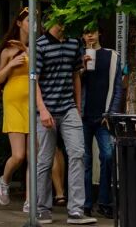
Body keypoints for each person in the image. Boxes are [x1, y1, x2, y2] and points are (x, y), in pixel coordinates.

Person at [34, 15, 96, 224]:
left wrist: (77, 108)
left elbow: (75, 75)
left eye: (65, 21)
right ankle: (42, 208)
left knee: (78, 153)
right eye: (60, 22)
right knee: (44, 159)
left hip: (68, 107)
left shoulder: (74, 43)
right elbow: (33, 80)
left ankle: (76, 210)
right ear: (49, 23)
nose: (63, 26)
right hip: (46, 108)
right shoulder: (39, 45)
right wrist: (42, 109)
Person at [79, 25, 125, 220]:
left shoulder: (112, 55)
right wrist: (81, 67)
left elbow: (117, 88)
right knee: (84, 160)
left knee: (107, 156)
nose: (89, 35)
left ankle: (104, 201)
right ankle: (86, 203)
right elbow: (74, 83)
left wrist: (111, 113)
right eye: (86, 32)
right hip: (83, 115)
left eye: (93, 31)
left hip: (104, 116)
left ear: (99, 33)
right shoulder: (79, 56)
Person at [0, 8, 31, 208]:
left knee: (33, 155)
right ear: (19, 23)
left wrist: (25, 51)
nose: (31, 24)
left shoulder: (34, 49)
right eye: (27, 21)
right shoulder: (7, 50)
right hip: (14, 102)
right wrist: (11, 63)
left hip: (33, 102)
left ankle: (30, 201)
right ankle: (4, 180)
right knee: (19, 155)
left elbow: (38, 68)